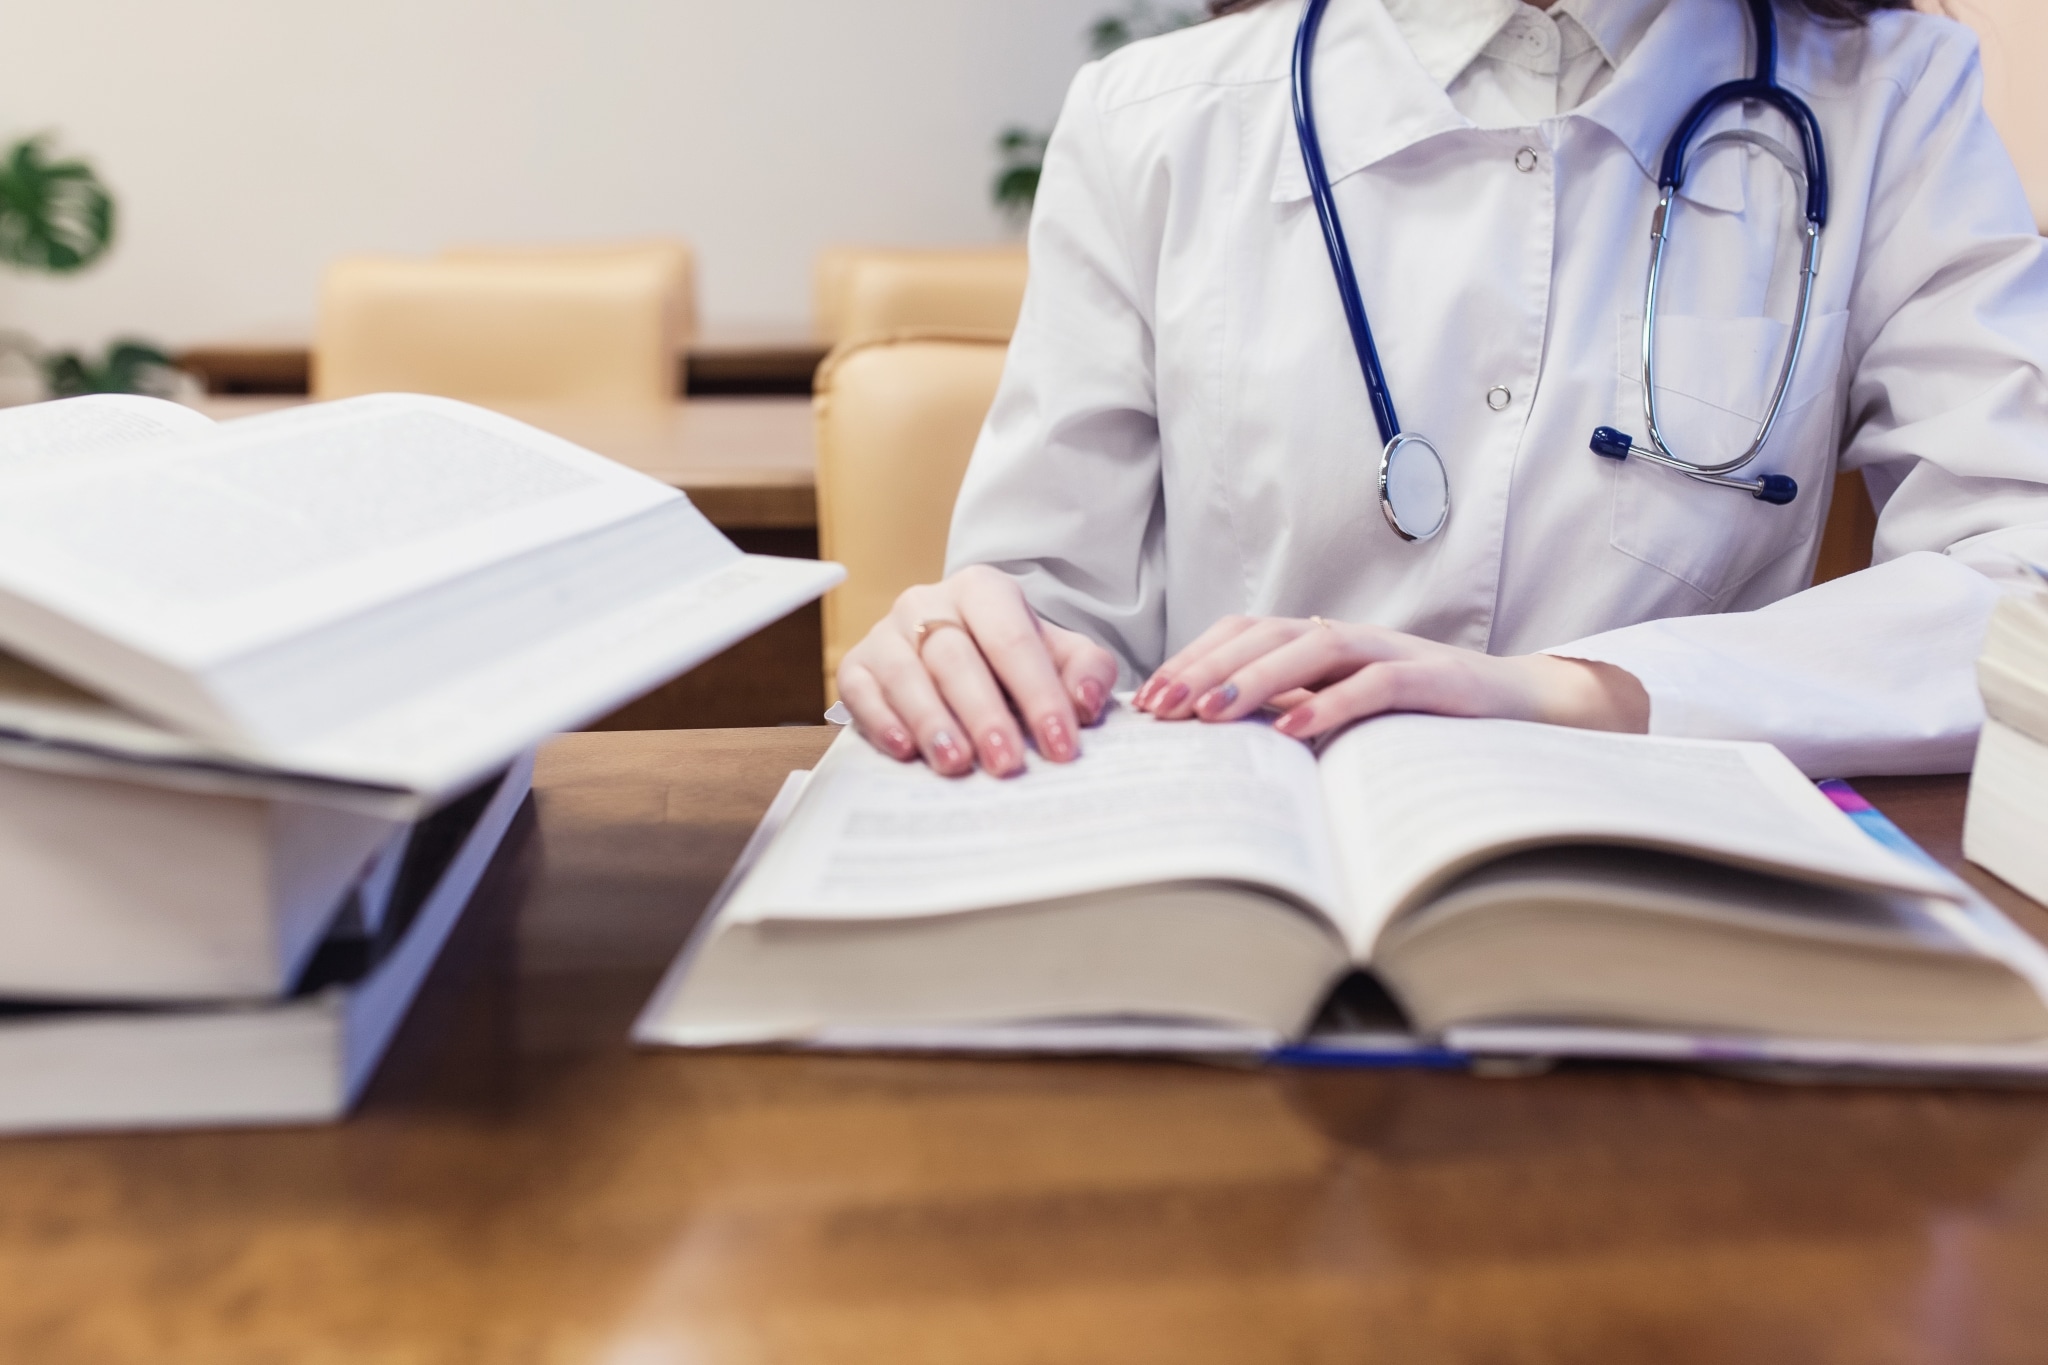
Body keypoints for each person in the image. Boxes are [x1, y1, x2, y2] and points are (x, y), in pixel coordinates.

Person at [837, 0, 2048, 781]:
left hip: (1666, 891)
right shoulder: (1150, 117)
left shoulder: (1890, 99)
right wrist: (975, 649)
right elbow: (1052, 613)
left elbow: (2022, 584)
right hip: (1243, 898)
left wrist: (1576, 694)